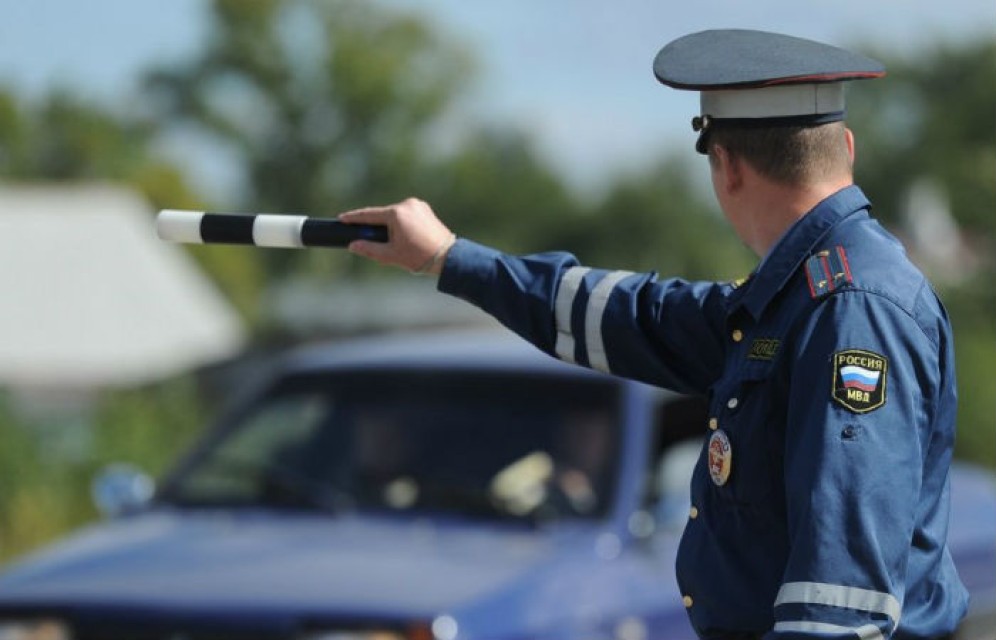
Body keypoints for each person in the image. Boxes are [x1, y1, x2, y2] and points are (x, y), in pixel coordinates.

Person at [338, 29, 967, 640]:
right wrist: (449, 258)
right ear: (846, 148)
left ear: (725, 165)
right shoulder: (800, 295)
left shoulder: (848, 307)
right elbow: (634, 316)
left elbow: (839, 605)